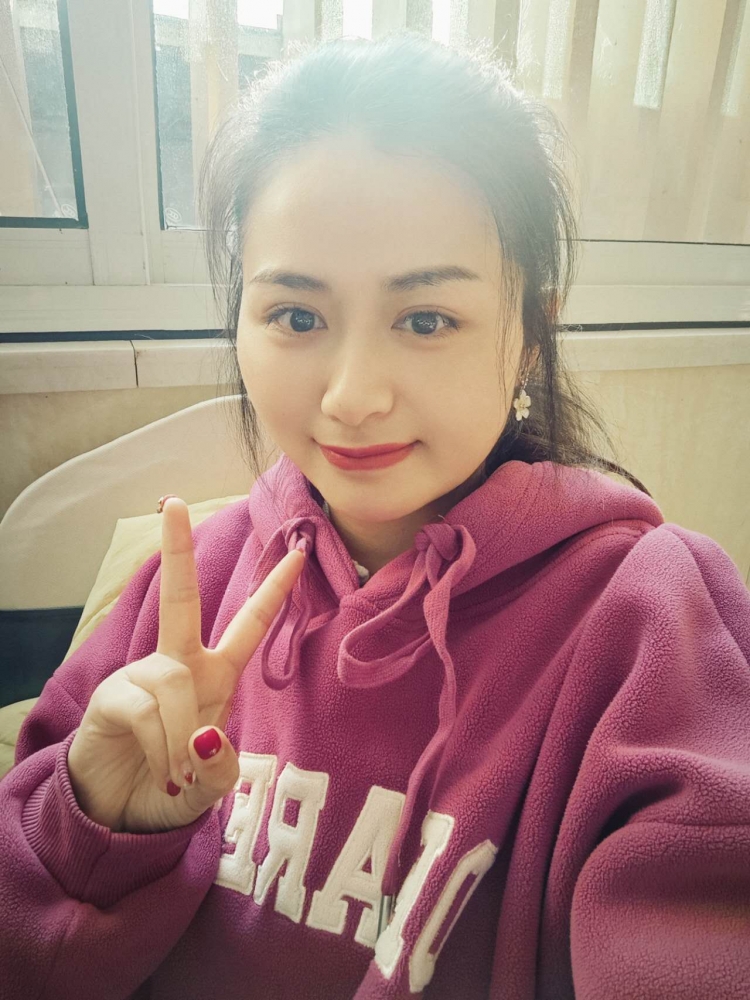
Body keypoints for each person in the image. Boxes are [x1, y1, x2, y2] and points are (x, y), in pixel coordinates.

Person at [1, 31, 749, 1000]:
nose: (352, 397)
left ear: (532, 333)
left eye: (426, 319)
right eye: (297, 317)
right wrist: (96, 824)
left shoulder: (650, 620)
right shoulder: (187, 587)